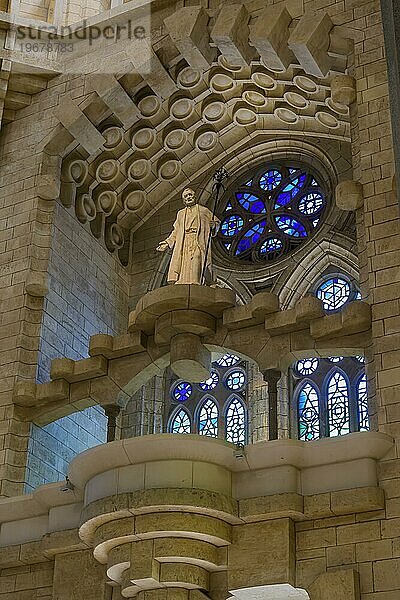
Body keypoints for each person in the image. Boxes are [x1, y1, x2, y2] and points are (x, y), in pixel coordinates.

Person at [157, 188, 220, 285]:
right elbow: (176, 231)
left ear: (194, 197)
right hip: (184, 240)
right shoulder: (181, 213)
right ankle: (183, 283)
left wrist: (214, 225)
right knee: (184, 262)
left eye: (190, 195)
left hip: (197, 239)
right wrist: (167, 242)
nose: (188, 197)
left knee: (197, 256)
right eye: (186, 196)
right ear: (183, 200)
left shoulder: (203, 210)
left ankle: (196, 282)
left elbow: (216, 222)